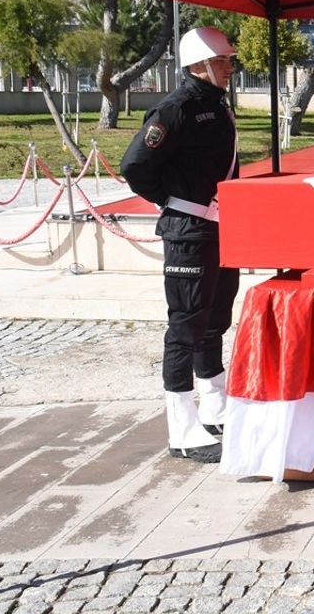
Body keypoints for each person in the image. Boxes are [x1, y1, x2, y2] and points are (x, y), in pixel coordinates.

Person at [120, 26, 240, 464]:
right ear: (200, 65)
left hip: (220, 229)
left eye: (228, 60)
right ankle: (182, 426)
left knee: (215, 319)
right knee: (185, 327)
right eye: (223, 61)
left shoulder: (214, 105)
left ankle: (214, 401)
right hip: (189, 233)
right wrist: (175, 201)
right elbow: (135, 165)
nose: (230, 67)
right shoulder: (176, 109)